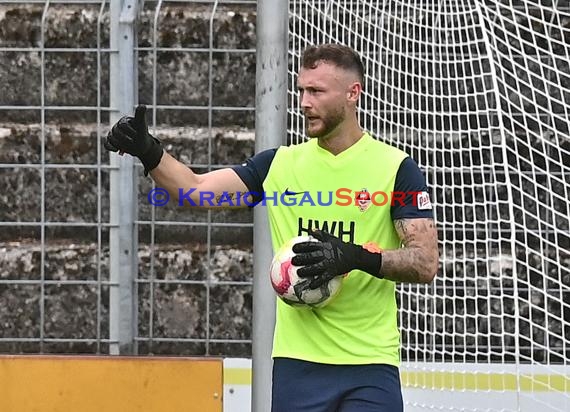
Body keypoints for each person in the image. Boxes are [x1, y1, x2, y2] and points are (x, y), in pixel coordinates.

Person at [105, 43, 439, 412]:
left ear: (352, 93)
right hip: (299, 365)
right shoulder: (278, 166)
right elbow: (196, 192)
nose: (304, 102)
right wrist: (148, 151)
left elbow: (424, 262)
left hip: (370, 364)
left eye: (316, 91)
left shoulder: (395, 168)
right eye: (301, 91)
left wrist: (353, 257)